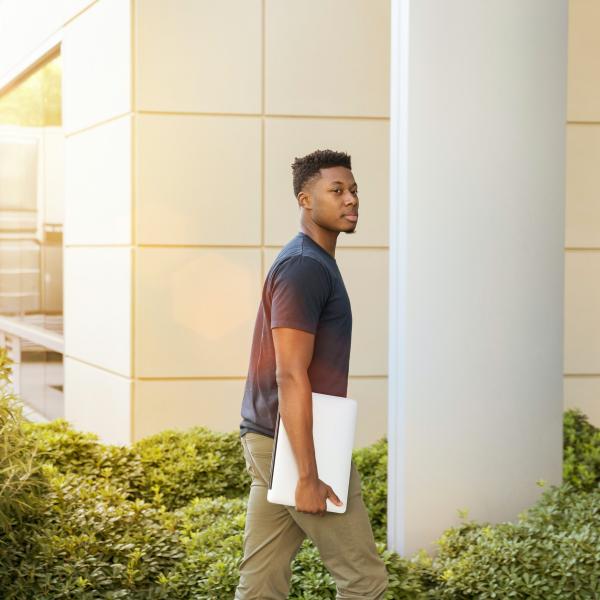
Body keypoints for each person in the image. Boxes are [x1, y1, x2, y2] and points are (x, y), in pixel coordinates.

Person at [235, 149, 389, 599]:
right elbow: (289, 374)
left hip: (272, 436)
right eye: (336, 190)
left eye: (354, 190)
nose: (351, 200)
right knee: (364, 581)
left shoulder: (313, 262)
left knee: (261, 582)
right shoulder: (304, 267)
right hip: (296, 442)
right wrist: (307, 473)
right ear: (305, 199)